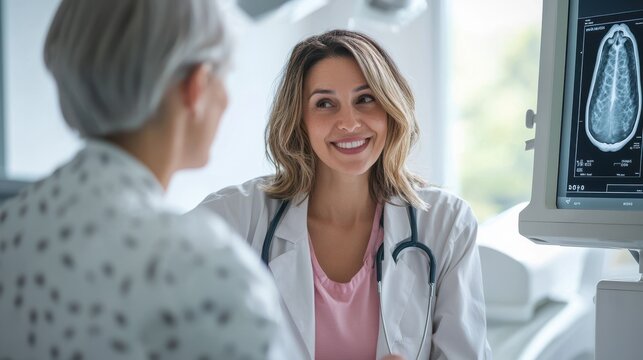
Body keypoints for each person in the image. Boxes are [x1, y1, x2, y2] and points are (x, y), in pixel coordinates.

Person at [0, 0, 302, 359]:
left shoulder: (10, 228)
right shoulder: (204, 269)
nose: (226, 100)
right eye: (225, 77)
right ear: (196, 86)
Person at [195, 29, 492, 359]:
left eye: (365, 99)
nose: (349, 123)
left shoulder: (446, 223)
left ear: (390, 107)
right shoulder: (231, 220)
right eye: (325, 104)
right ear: (299, 120)